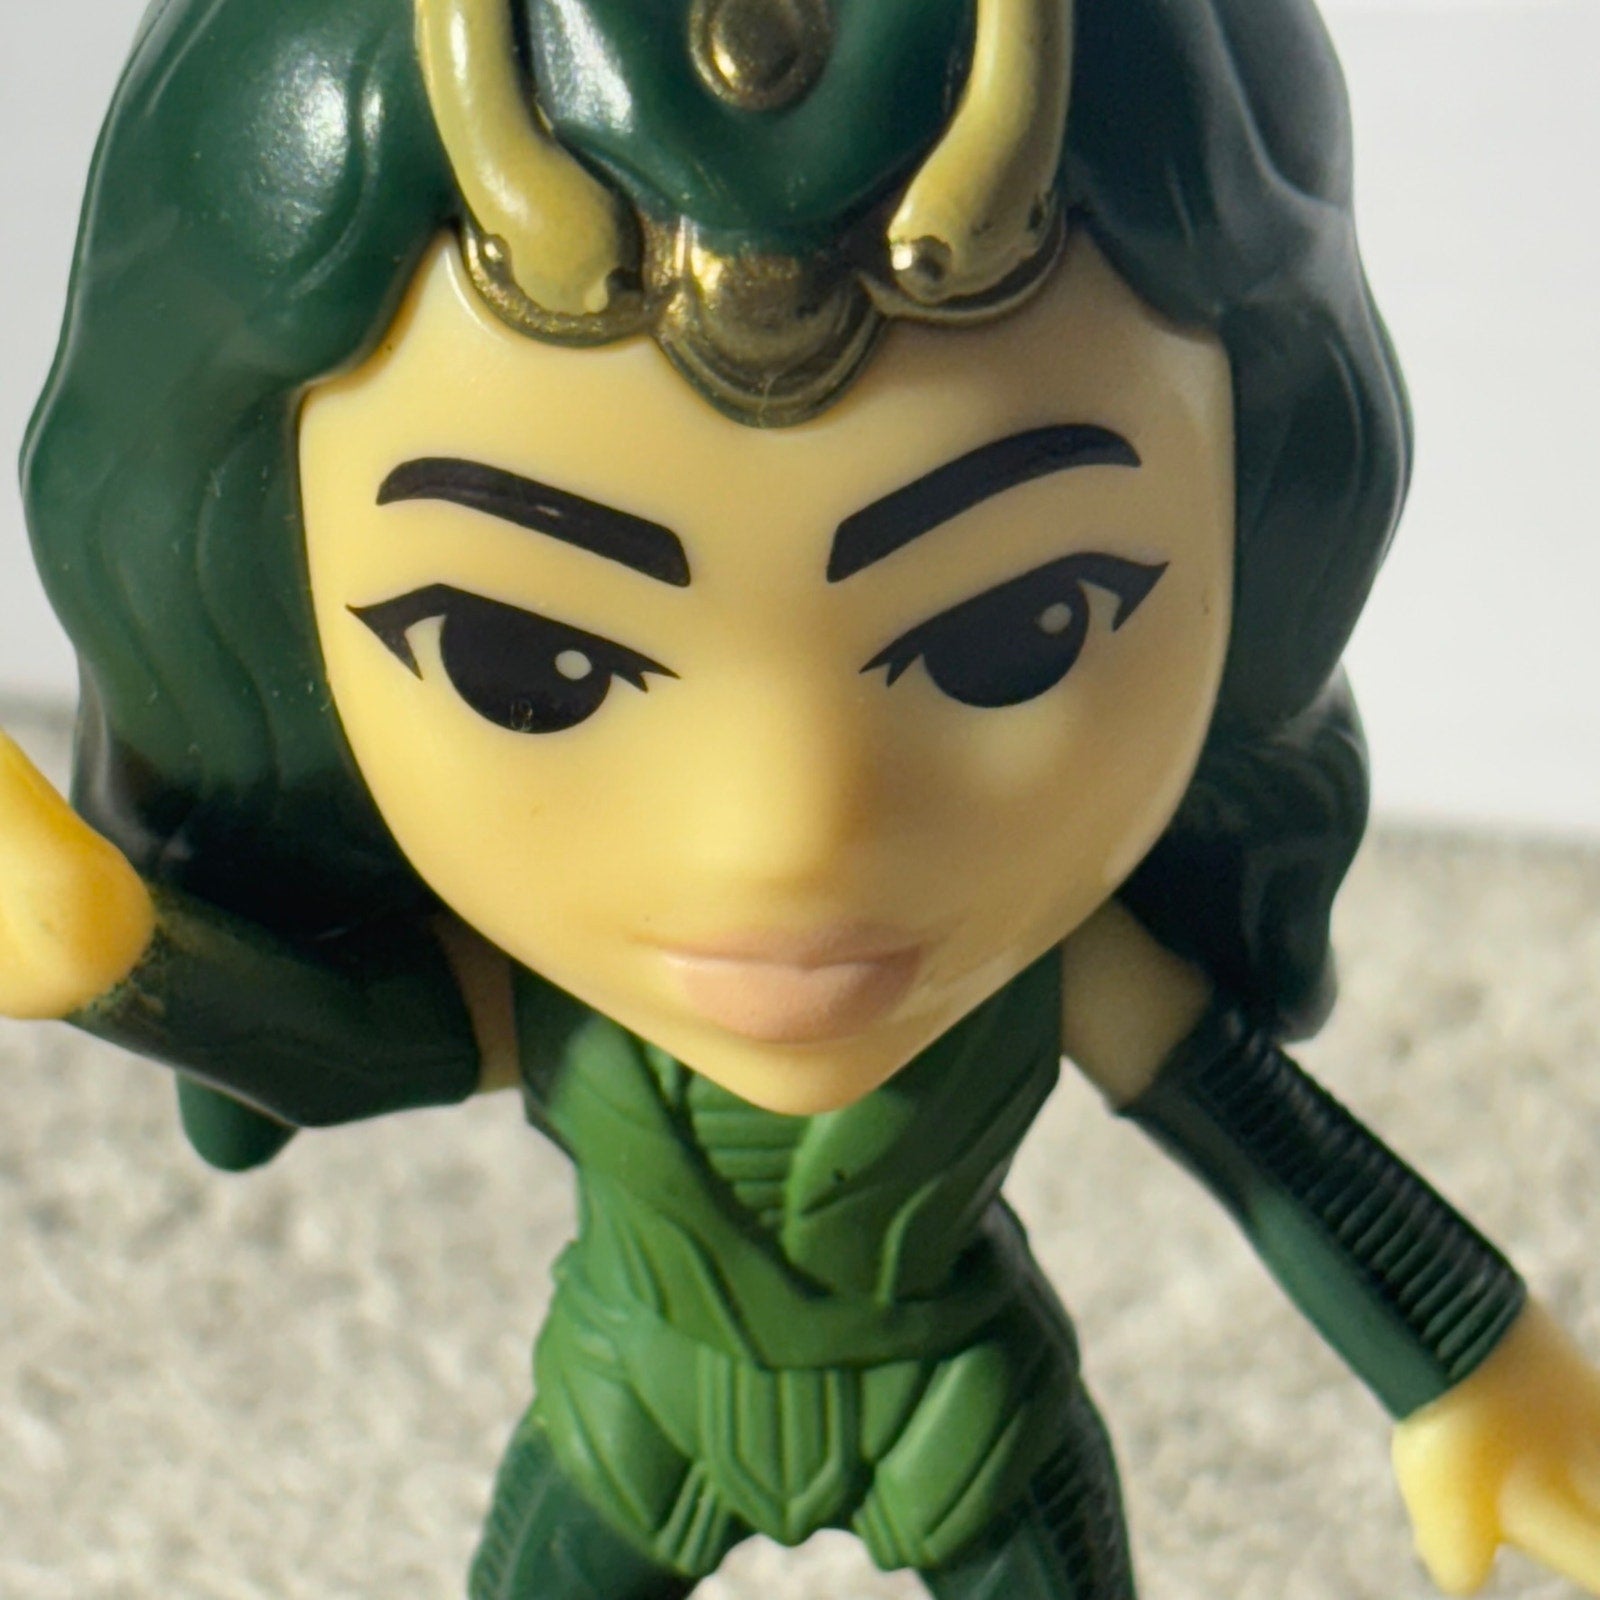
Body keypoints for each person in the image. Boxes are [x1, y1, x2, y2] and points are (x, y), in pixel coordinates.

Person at [8, 0, 1600, 1594]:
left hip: (963, 1424)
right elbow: (350, 1043)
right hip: (633, 1415)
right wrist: (116, 956)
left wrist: (1475, 1362)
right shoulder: (545, 1002)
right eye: (529, 664)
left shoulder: (1063, 974)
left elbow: (1271, 1139)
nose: (789, 833)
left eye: (1019, 631)